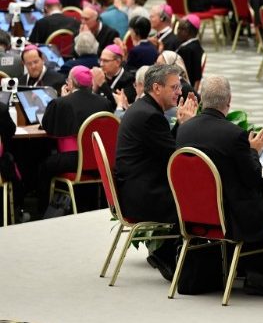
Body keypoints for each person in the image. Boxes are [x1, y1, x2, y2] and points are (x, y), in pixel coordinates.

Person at [176, 75, 263, 296]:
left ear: (202, 100)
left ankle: (255, 268)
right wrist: (253, 152)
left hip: (195, 212)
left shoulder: (184, 130)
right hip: (233, 215)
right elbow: (253, 178)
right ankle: (262, 274)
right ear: (229, 100)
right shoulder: (233, 134)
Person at [115, 64, 198, 280]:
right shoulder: (150, 116)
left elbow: (164, 147)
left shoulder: (143, 109)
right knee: (198, 201)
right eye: (174, 87)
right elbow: (175, 158)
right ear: (157, 88)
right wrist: (188, 127)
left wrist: (180, 124)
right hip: (144, 195)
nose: (180, 92)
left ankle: (171, 253)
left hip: (135, 187)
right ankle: (172, 255)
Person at [38, 65, 113, 215]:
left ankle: (41, 212)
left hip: (74, 160)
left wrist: (62, 100)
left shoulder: (62, 103)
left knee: (43, 166)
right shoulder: (103, 102)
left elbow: (48, 127)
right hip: (100, 161)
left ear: (71, 83)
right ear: (90, 83)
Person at [173, 14, 205, 88]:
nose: (177, 32)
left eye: (180, 29)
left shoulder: (186, 50)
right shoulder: (196, 45)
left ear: (188, 31)